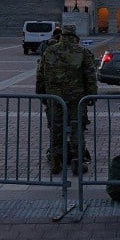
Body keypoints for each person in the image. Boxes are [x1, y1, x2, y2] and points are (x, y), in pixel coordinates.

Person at [36, 24, 97, 175]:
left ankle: (56, 161)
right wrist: (92, 95)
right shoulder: (81, 51)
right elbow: (90, 75)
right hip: (76, 98)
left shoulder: (50, 51)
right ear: (74, 35)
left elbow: (40, 75)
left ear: (62, 34)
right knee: (77, 129)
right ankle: (77, 160)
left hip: (54, 97)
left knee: (56, 129)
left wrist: (42, 94)